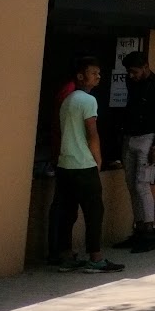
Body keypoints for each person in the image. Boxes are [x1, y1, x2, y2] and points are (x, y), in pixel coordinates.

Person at [49, 57, 125, 274]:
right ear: (81, 76)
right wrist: (98, 160)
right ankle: (96, 258)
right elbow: (92, 134)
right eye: (93, 73)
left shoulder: (68, 99)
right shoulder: (88, 101)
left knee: (67, 212)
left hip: (65, 164)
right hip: (83, 165)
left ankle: (65, 256)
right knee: (94, 212)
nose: (98, 76)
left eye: (99, 73)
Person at [115, 51, 155, 253]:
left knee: (142, 184)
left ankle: (148, 231)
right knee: (132, 184)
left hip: (147, 138)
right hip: (129, 136)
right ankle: (139, 228)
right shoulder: (133, 84)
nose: (132, 75)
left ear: (146, 67)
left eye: (135, 71)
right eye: (130, 72)